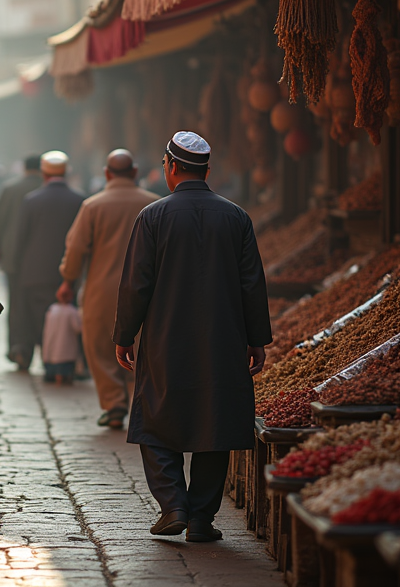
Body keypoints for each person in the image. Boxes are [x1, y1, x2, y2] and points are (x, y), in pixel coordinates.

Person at [114, 131, 272, 543]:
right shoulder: (236, 217)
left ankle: (173, 505)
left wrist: (124, 334)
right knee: (213, 422)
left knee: (155, 417)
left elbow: (136, 285)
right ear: (206, 169)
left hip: (165, 337)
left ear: (169, 167)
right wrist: (256, 338)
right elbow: (252, 284)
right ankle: (201, 517)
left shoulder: (153, 216)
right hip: (223, 339)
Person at [57, 149, 160, 429]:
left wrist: (69, 279)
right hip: (147, 291)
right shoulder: (155, 204)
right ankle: (142, 402)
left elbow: (76, 249)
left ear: (106, 173)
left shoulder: (93, 206)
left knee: (101, 348)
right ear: (135, 172)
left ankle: (114, 403)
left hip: (101, 291)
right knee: (142, 348)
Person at [8, 151, 85, 371]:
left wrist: (15, 269)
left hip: (35, 273)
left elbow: (20, 238)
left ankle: (46, 358)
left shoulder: (32, 200)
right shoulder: (79, 199)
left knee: (38, 319)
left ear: (44, 173)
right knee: (68, 318)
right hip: (70, 272)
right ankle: (62, 363)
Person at [0, 155, 42, 368]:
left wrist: (0, 248)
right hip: (41, 260)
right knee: (41, 305)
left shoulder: (9, 188)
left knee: (17, 305)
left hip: (14, 259)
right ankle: (47, 350)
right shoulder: (45, 187)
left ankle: (19, 348)